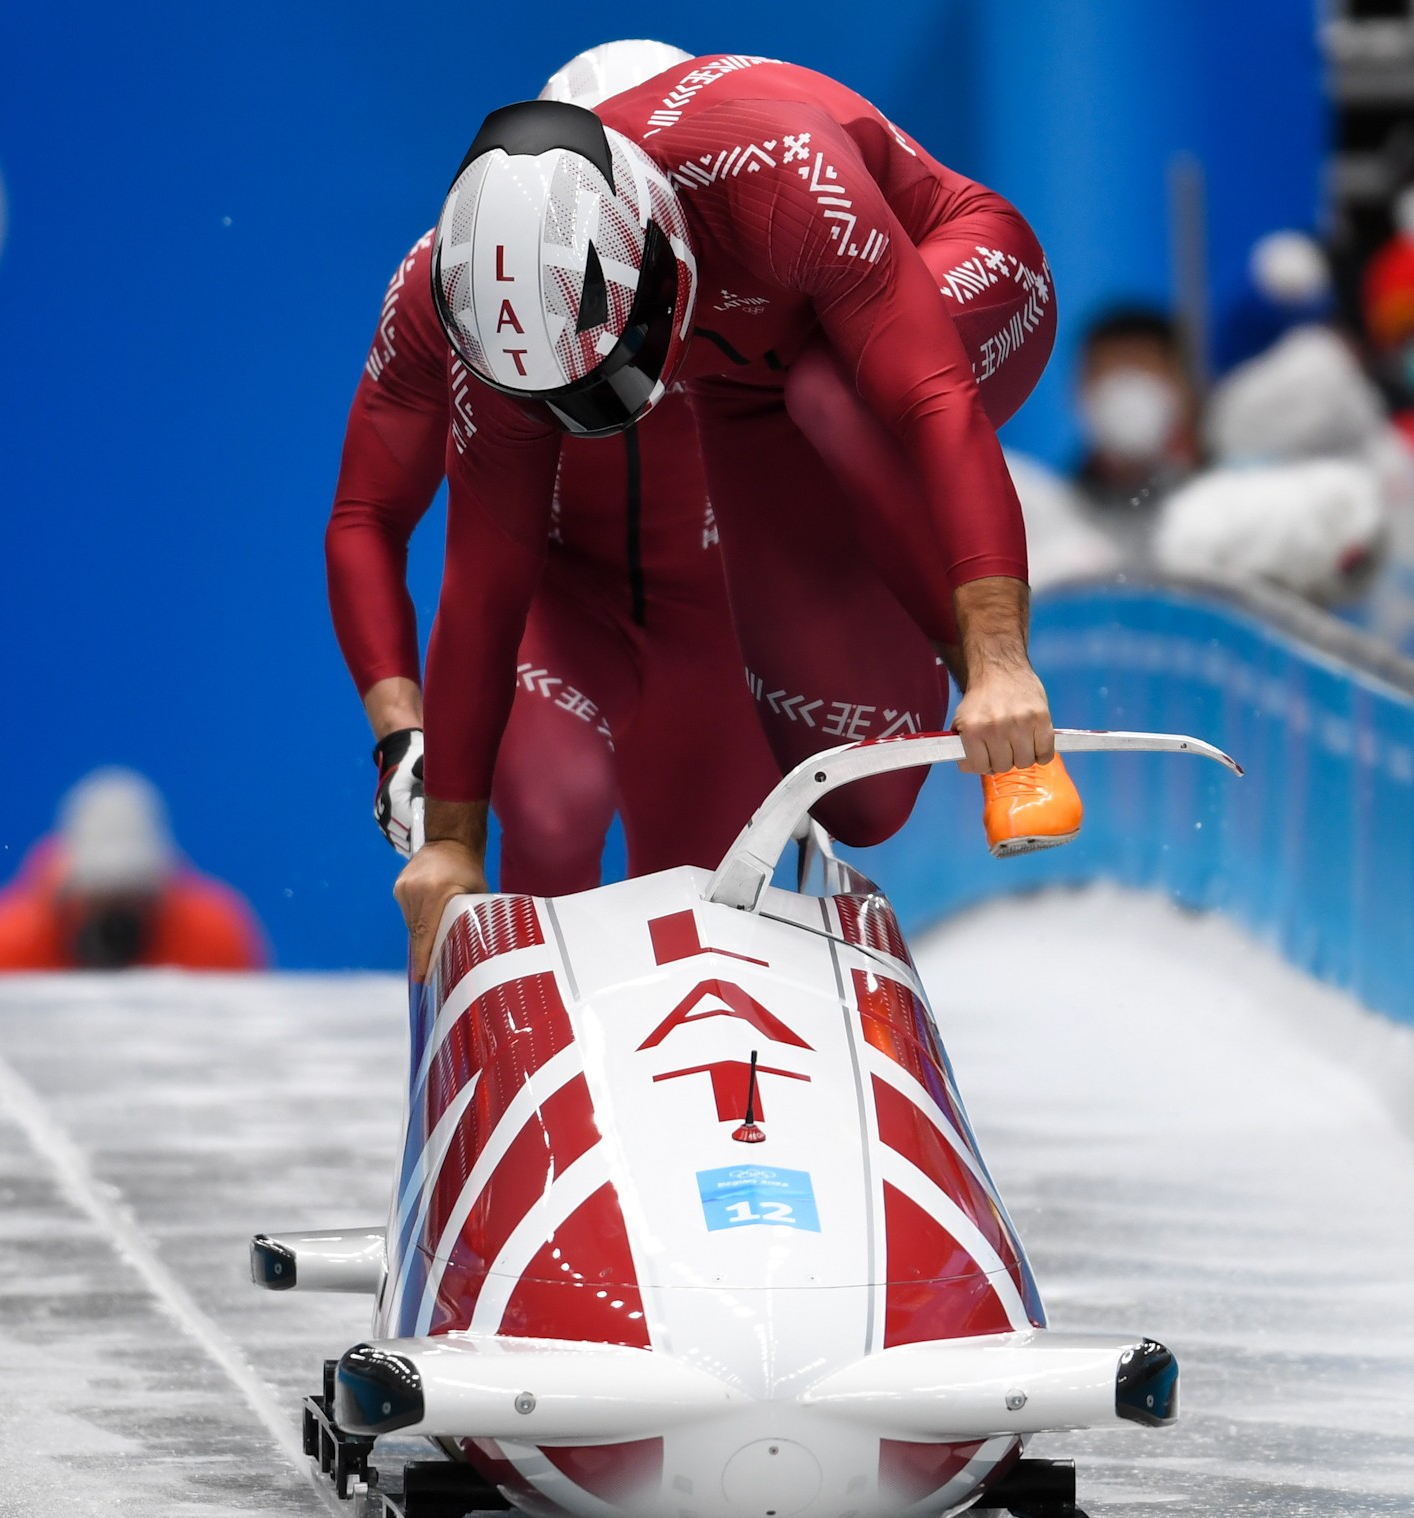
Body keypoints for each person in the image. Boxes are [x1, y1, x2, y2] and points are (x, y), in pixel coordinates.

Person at [402, 58, 1070, 972]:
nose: (606, 411)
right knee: (866, 806)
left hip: (951, 273)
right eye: (571, 398)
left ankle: (994, 706)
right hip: (756, 395)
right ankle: (893, 612)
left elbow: (936, 403)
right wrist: (450, 844)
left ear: (664, 251)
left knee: (835, 390)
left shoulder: (776, 175)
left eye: (623, 366)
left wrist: (997, 662)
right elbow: (483, 586)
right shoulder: (497, 329)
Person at [327, 40, 776, 898]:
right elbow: (367, 515)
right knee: (554, 812)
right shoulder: (447, 279)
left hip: (720, 630)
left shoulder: (763, 255)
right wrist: (401, 732)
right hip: (557, 613)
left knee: (710, 907)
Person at [0, 768, 266, 971]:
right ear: (67, 889)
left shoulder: (215, 936)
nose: (116, 913)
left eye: (131, 893)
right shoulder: (5, 946)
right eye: (101, 895)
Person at [1067, 305, 1200, 563]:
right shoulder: (1058, 513)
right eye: (1107, 372)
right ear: (1080, 391)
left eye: (1141, 367)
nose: (1124, 392)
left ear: (1182, 385)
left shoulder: (1228, 508)